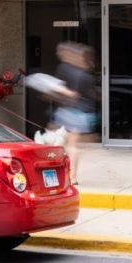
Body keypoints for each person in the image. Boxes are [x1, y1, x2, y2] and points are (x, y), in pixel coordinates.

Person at [53, 42, 97, 185]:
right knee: (71, 146)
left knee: (59, 145)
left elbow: (71, 93)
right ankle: (72, 176)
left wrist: (58, 91)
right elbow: (89, 95)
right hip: (82, 114)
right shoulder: (86, 73)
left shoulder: (66, 68)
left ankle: (66, 175)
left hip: (69, 112)